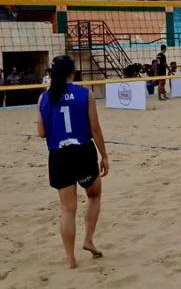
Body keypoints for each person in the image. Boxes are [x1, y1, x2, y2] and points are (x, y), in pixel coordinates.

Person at [36, 55, 109, 269]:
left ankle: (70, 259)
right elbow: (95, 128)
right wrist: (104, 155)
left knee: (67, 209)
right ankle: (88, 240)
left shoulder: (44, 98)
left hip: (59, 154)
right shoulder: (85, 94)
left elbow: (41, 132)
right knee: (94, 195)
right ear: (73, 72)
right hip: (83, 151)